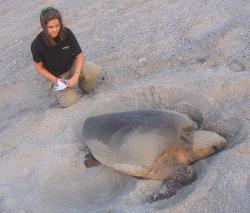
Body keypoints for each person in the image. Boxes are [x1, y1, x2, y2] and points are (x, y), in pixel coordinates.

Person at [31, 7, 100, 107]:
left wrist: (76, 75)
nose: (55, 29)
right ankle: (70, 92)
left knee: (93, 70)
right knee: (68, 101)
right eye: (50, 27)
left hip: (72, 66)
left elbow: (79, 56)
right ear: (43, 26)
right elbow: (39, 68)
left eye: (57, 25)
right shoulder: (37, 44)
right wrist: (57, 81)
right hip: (57, 76)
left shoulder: (67, 33)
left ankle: (85, 88)